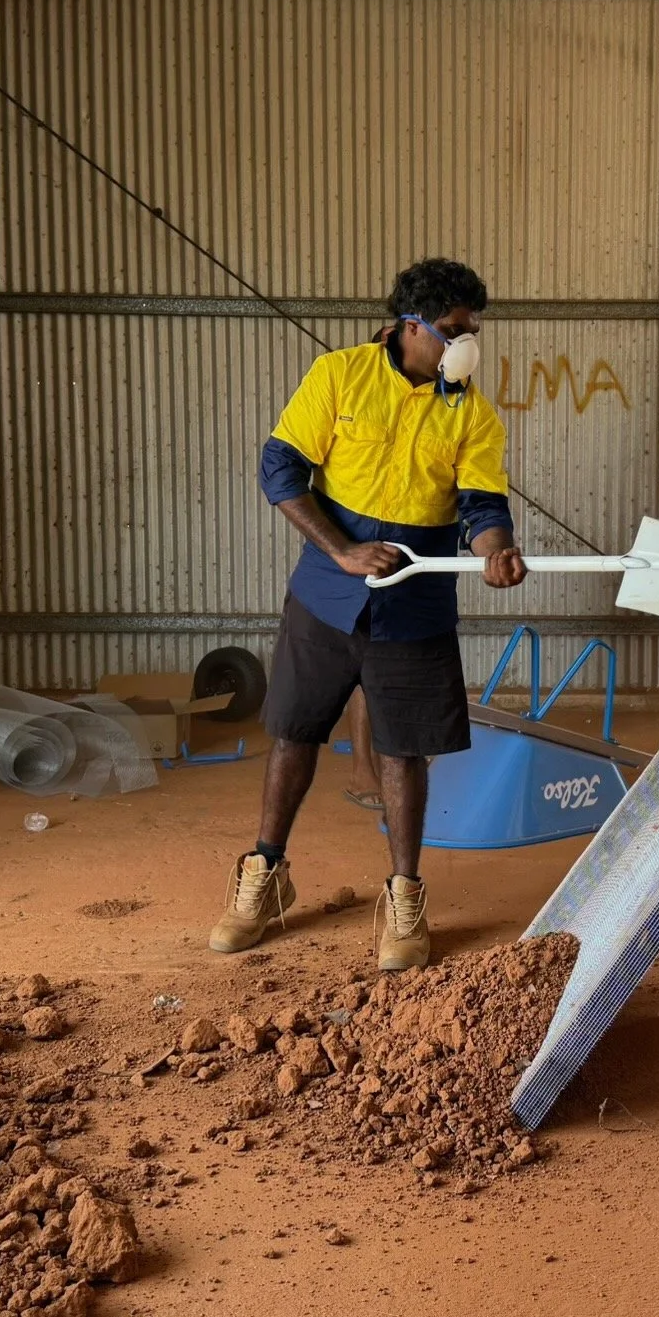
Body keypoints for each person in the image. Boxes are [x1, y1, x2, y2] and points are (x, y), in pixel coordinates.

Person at [212, 257, 525, 970]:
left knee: (402, 750)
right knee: (293, 734)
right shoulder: (339, 377)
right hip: (327, 591)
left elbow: (482, 505)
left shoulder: (469, 409)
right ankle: (263, 877)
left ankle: (405, 899)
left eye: (471, 328)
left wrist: (496, 550)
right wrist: (345, 550)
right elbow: (281, 470)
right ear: (410, 327)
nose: (466, 341)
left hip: (414, 603)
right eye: (453, 330)